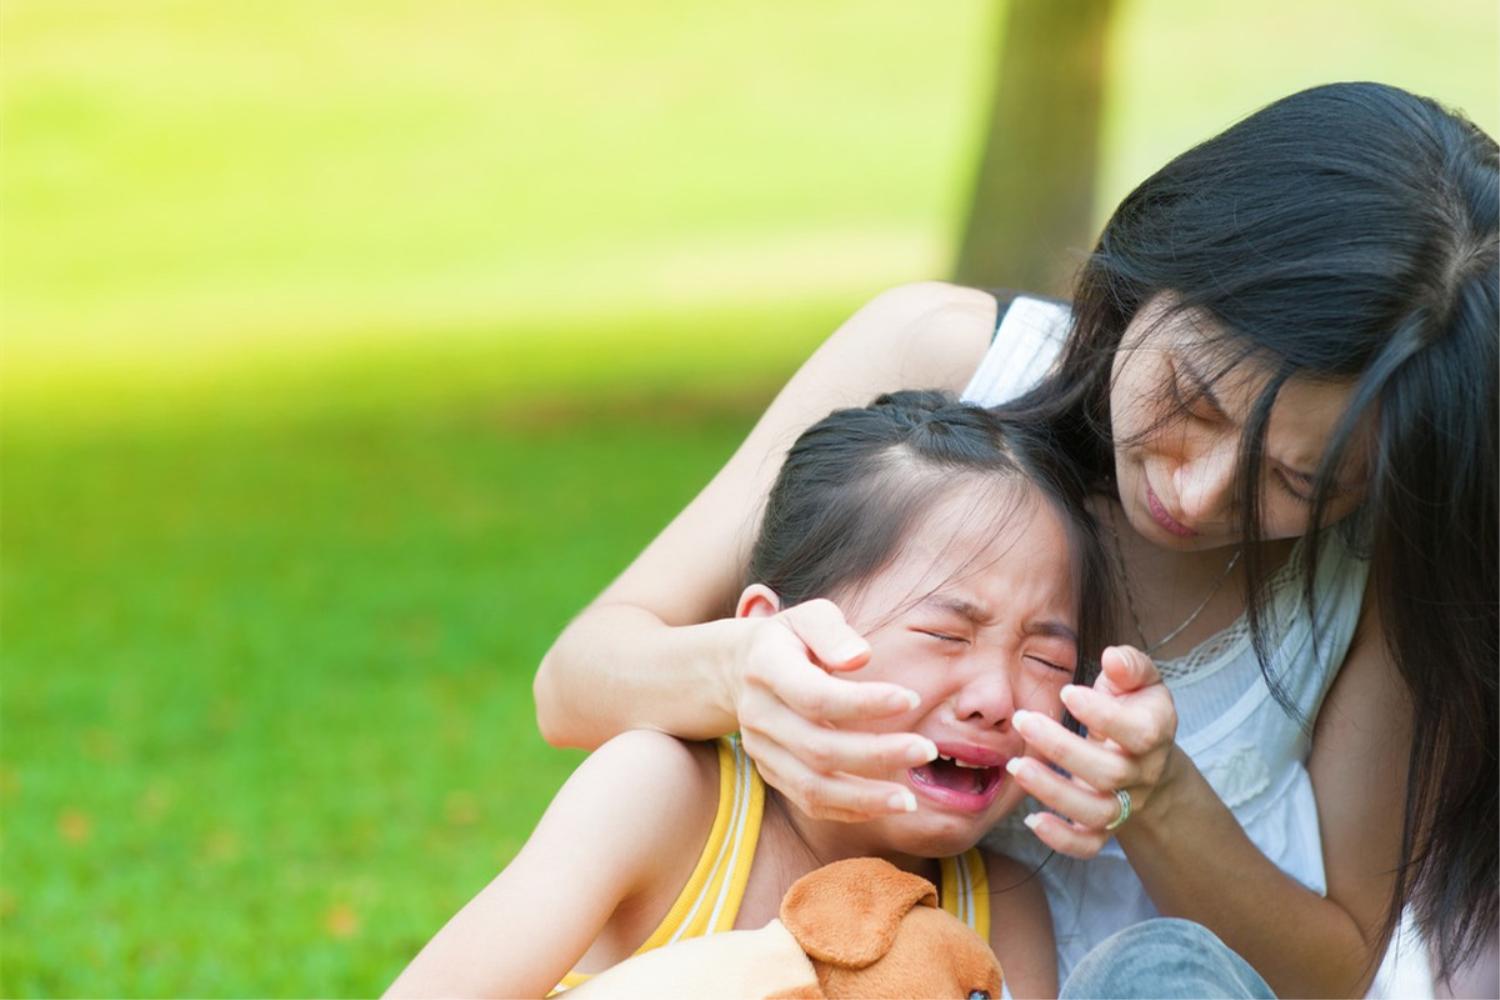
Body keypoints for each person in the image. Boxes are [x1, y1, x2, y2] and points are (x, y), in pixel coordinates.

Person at [533, 81, 1499, 997]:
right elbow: (576, 680)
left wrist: (1159, 800)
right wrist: (739, 672)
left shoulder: (1378, 576)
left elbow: (1328, 976)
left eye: (1297, 483)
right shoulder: (946, 361)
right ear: (1159, 263)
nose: (1196, 493)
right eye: (1192, 401)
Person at [388, 391, 1135, 999]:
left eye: (1046, 655)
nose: (996, 697)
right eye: (945, 634)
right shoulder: (661, 797)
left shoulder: (999, 906)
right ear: (774, 637)